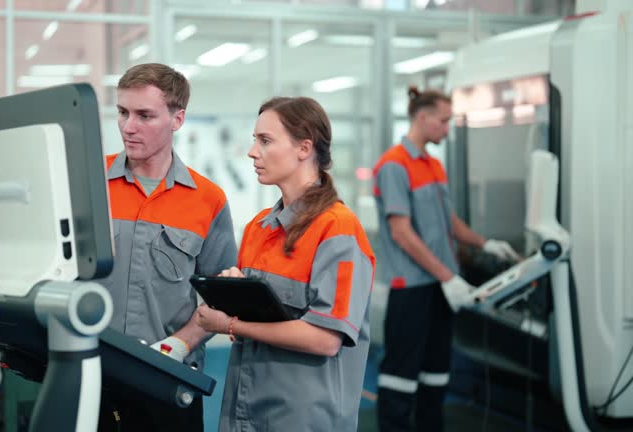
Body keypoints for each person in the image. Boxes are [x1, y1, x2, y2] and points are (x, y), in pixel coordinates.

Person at [195, 96, 375, 432]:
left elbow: (325, 339)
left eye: (265, 141)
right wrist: (235, 296)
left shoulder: (337, 229)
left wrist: (229, 325)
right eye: (254, 140)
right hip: (244, 410)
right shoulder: (258, 228)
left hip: (301, 419)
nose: (252, 151)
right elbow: (265, 319)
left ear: (304, 148)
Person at [99, 63, 238, 431]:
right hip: (91, 375)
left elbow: (221, 295)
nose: (129, 127)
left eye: (145, 115)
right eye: (123, 113)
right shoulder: (90, 183)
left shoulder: (208, 200)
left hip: (167, 380)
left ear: (177, 120)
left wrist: (177, 346)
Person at [373, 86, 520, 431]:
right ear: (422, 118)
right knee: (401, 374)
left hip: (441, 285)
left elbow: (449, 223)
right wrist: (448, 277)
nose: (446, 128)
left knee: (437, 370)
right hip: (411, 288)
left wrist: (487, 244)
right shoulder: (394, 165)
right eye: (443, 121)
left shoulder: (434, 166)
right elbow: (402, 233)